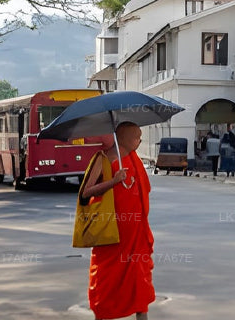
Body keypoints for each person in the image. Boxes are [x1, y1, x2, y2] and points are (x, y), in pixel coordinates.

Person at [80, 122, 154, 320]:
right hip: (112, 231)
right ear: (124, 138)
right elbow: (86, 193)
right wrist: (113, 181)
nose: (140, 141)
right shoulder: (103, 159)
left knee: (138, 276)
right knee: (107, 278)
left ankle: (142, 316)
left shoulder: (133, 158)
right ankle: (102, 314)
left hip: (135, 231)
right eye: (137, 137)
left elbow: (142, 190)